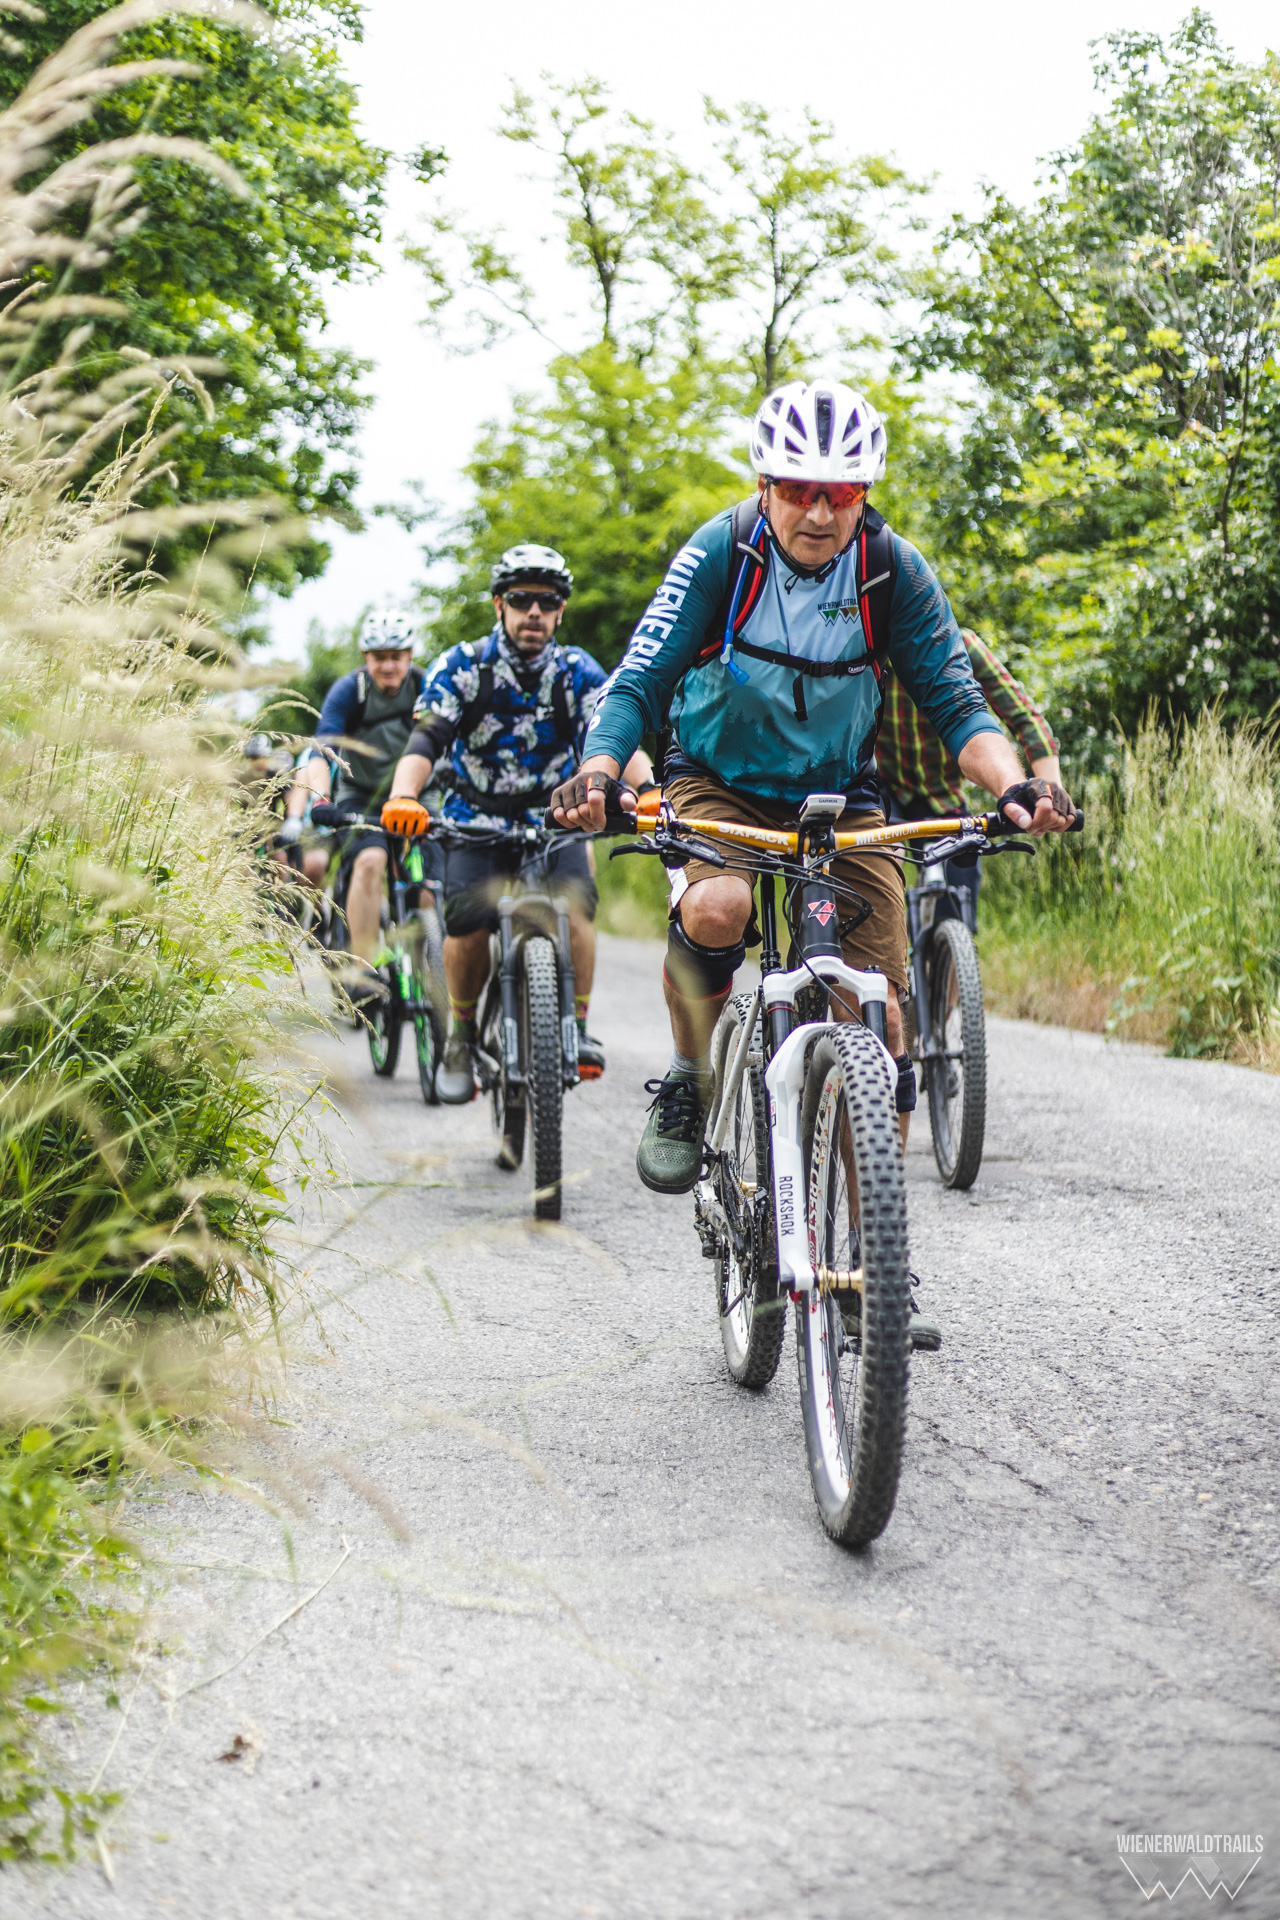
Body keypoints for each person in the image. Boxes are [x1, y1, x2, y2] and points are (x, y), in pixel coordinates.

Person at [547, 378, 1077, 1202]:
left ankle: (872, 1248)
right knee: (717, 909)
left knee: (879, 1017)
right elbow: (638, 681)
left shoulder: (890, 570)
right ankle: (689, 1076)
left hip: (838, 794)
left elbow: (958, 704)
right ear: (764, 485)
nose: (821, 513)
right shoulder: (722, 553)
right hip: (717, 781)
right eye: (799, 489)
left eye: (843, 493)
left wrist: (1016, 784)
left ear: (864, 493)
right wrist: (600, 769)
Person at [381, 545, 653, 1104]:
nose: (534, 612)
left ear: (560, 611)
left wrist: (649, 791)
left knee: (577, 906)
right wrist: (403, 796)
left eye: (547, 602)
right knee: (467, 925)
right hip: (473, 820)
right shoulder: (462, 666)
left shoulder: (577, 671)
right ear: (499, 604)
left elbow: (616, 734)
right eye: (522, 599)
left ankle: (576, 1027)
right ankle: (461, 1037)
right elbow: (426, 740)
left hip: (556, 819)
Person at [285, 611, 426, 1007]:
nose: (388, 665)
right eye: (379, 657)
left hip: (418, 795)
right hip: (361, 795)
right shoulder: (351, 690)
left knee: (430, 877)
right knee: (370, 860)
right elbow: (322, 750)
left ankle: (431, 956)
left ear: (410, 655)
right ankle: (363, 968)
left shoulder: (426, 686)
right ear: (366, 657)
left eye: (396, 656)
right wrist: (321, 799)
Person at [877, 630, 1062, 925]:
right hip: (881, 789)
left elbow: (1026, 718)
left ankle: (951, 947)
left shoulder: (960, 646)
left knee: (960, 887)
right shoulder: (869, 646)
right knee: (881, 867)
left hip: (942, 795)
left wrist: (1052, 793)